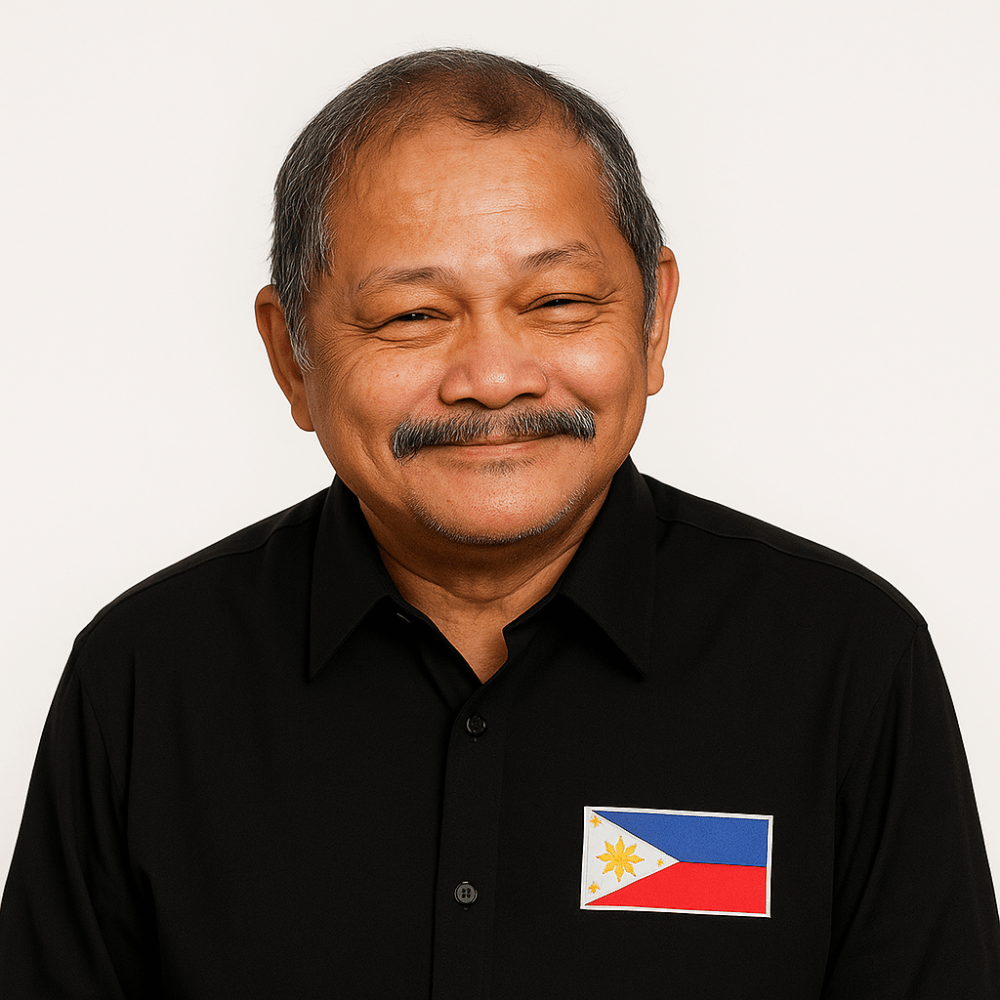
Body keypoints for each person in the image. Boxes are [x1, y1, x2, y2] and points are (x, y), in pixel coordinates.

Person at [1, 47, 997, 999]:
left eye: (557, 301)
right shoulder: (147, 675)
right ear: (290, 354)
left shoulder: (844, 663)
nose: (492, 378)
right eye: (412, 315)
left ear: (653, 320)